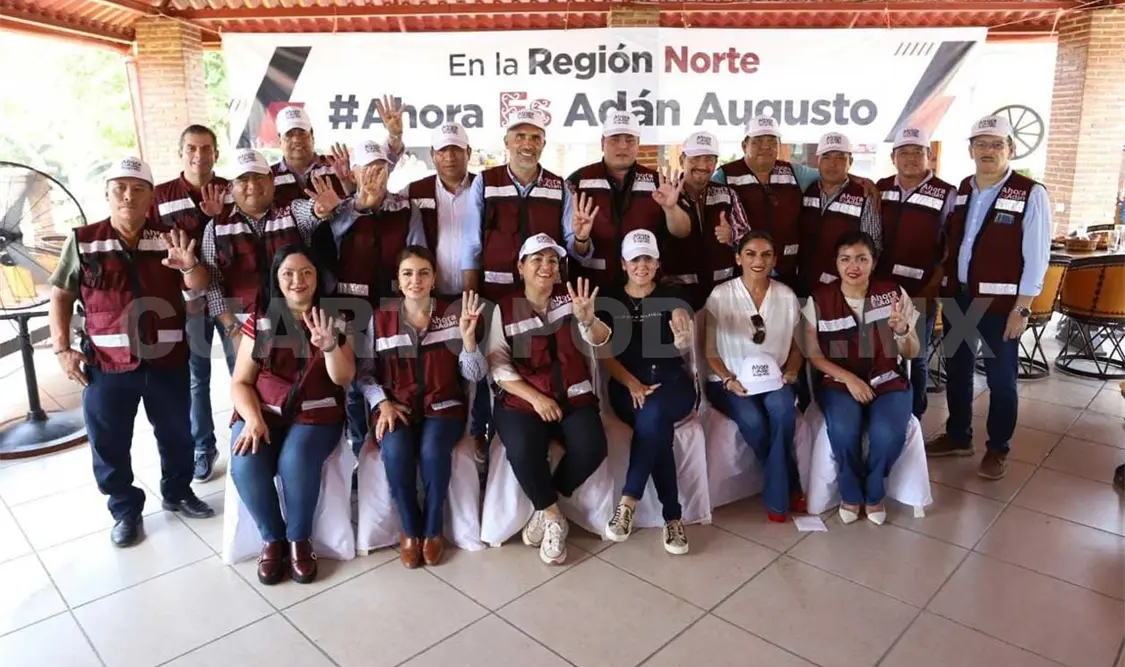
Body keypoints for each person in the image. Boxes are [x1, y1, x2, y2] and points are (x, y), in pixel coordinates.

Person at [47, 157, 214, 547]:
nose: (128, 196)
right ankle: (125, 509)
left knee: (177, 434)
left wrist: (189, 266)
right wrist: (62, 348)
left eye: (138, 189)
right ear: (107, 194)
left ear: (151, 197)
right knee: (109, 443)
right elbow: (61, 293)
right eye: (120, 188)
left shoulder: (170, 235)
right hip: (106, 367)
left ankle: (178, 491)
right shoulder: (84, 239)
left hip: (167, 360)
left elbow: (199, 284)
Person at [927, 115, 1052, 481]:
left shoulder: (1030, 192)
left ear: (1011, 149)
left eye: (997, 144)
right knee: (959, 370)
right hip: (962, 299)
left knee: (1000, 380)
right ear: (970, 150)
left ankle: (998, 448)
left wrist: (1023, 308)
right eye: (980, 144)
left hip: (1001, 307)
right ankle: (958, 435)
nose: (988, 151)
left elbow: (1037, 256)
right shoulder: (964, 188)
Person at [229, 246, 355, 585]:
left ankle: (299, 540)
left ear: (318, 277)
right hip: (265, 412)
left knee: (295, 460)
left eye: (306, 272)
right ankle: (273, 540)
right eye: (288, 273)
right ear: (277, 279)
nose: (297, 280)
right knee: (246, 460)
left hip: (316, 414)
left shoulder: (335, 318)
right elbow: (240, 382)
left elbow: (344, 378)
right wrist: (253, 419)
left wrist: (329, 346)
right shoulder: (262, 321)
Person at [358, 247, 489, 568]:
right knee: (396, 451)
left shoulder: (453, 314)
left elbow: (474, 375)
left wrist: (469, 342)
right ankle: (409, 529)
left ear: (434, 280)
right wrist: (383, 402)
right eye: (407, 274)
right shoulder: (380, 318)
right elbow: (363, 374)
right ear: (398, 282)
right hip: (396, 408)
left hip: (443, 406)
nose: (415, 280)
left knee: (433, 453)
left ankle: (433, 529)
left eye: (423, 273)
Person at [486, 233, 611, 565]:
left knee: (593, 448)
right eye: (537, 260)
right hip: (521, 400)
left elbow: (600, 341)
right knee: (524, 448)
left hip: (573, 395)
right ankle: (555, 519)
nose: (546, 266)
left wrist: (588, 319)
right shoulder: (504, 308)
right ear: (521, 267)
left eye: (553, 260)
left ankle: (545, 505)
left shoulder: (571, 299)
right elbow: (498, 367)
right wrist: (537, 399)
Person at [803, 231, 920, 525]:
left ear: (873, 262)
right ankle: (851, 493)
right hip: (839, 383)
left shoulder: (893, 294)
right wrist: (850, 380)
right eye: (845, 259)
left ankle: (874, 491)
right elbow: (814, 355)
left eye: (861, 259)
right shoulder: (819, 298)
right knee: (844, 428)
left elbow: (912, 351)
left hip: (887, 380)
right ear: (836, 263)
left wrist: (904, 330)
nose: (853, 266)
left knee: (887, 432)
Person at [597, 230, 695, 553]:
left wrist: (683, 341)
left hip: (673, 386)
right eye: (635, 259)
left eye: (648, 259)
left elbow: (683, 327)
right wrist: (630, 382)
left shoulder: (673, 295)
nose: (642, 265)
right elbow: (606, 355)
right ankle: (673, 518)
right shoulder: (609, 300)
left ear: (657, 263)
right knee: (656, 423)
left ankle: (628, 500)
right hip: (627, 388)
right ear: (623, 264)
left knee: (654, 415)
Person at [399, 122, 491, 463]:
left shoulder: (484, 186)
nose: (449, 156)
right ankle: (436, 425)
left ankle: (478, 432)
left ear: (468, 152)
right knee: (440, 369)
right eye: (442, 150)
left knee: (477, 362)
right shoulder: (415, 189)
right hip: (430, 295)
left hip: (475, 292)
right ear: (433, 155)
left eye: (456, 149)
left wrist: (475, 293)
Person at [199, 149, 349, 357]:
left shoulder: (292, 211)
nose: (252, 186)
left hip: (297, 325)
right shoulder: (216, 227)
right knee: (245, 385)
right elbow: (212, 285)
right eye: (243, 179)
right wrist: (234, 330)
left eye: (259, 177)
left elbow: (313, 212)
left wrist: (322, 209)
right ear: (231, 187)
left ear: (272, 179)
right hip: (243, 329)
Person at [704, 231, 804, 521]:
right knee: (753, 420)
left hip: (774, 381)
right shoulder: (721, 295)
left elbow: (797, 347)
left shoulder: (785, 296)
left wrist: (793, 370)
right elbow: (710, 351)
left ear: (774, 259)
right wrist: (727, 378)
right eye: (750, 254)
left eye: (765, 255)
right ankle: (788, 489)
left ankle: (780, 491)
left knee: (783, 411)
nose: (758, 261)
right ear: (738, 258)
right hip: (729, 382)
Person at [714, 116, 881, 291]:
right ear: (744, 145)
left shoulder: (794, 172)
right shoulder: (724, 175)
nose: (765, 146)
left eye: (772, 141)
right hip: (743, 272)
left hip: (788, 273)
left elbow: (829, 174)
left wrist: (859, 180)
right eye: (757, 141)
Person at [151, 124, 233, 482]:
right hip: (189, 304)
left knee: (243, 371)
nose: (199, 155)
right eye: (191, 149)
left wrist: (215, 216)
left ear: (216, 152)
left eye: (206, 148)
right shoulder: (160, 195)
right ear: (181, 152)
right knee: (197, 378)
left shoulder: (232, 189)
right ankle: (203, 447)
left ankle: (253, 440)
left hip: (230, 298)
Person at [462, 108, 596, 304]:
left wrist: (582, 238)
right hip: (497, 292)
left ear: (543, 144)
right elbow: (471, 246)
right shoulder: (486, 181)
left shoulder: (559, 186)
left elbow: (576, 252)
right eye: (520, 136)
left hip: (546, 296)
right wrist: (469, 298)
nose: (528, 144)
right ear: (506, 142)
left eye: (535, 138)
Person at [875, 127, 956, 419]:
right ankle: (886, 411)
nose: (910, 158)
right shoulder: (880, 187)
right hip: (882, 289)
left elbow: (951, 248)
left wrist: (933, 286)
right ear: (893, 156)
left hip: (921, 290)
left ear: (929, 156)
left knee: (916, 356)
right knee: (881, 350)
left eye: (917, 152)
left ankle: (914, 418)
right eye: (903, 152)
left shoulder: (947, 193)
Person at [566, 111, 666, 290]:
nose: (622, 146)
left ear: (638, 144)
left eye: (629, 139)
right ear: (602, 143)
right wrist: (581, 239)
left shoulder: (658, 182)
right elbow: (567, 243)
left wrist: (672, 207)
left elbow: (673, 236)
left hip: (642, 286)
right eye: (614, 139)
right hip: (592, 286)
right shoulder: (577, 181)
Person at [657, 131, 750, 310]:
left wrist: (732, 235)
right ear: (682, 159)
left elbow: (748, 239)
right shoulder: (664, 193)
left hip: (723, 289)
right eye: (695, 158)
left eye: (709, 159)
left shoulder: (728, 194)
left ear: (716, 163)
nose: (702, 165)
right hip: (677, 293)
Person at [798, 132, 883, 298]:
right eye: (826, 157)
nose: (832, 164)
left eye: (840, 157)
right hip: (803, 283)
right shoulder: (805, 189)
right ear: (817, 161)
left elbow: (874, 246)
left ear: (850, 162)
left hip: (844, 289)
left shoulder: (864, 196)